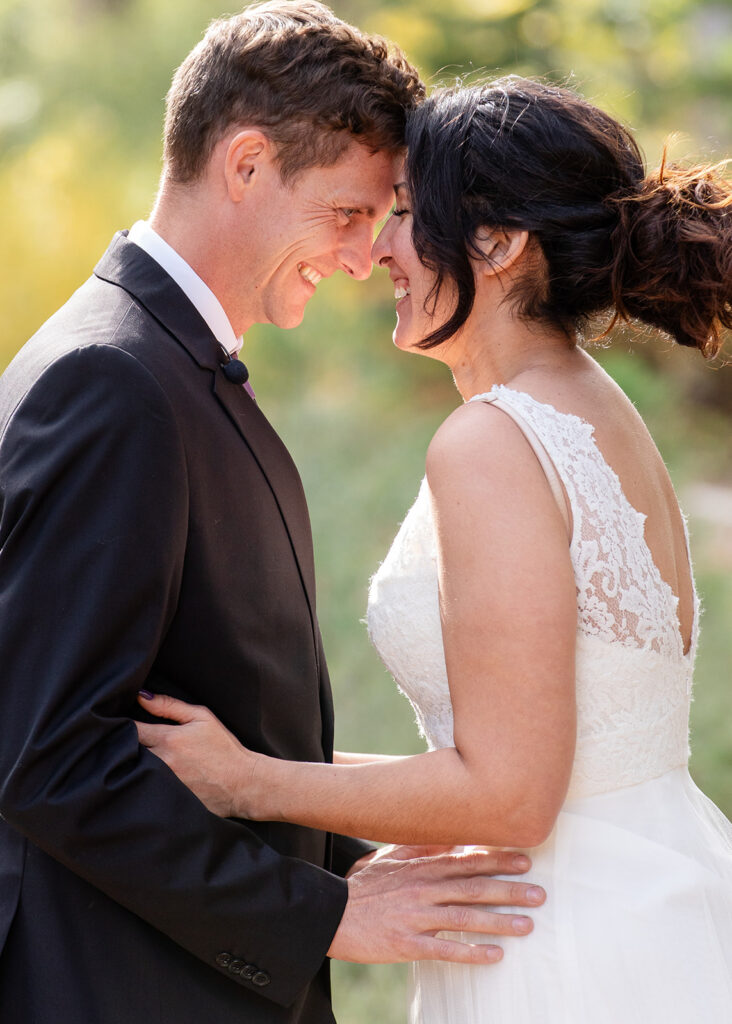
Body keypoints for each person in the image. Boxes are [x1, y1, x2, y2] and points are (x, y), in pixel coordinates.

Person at [134, 77, 732, 1022]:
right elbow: (531, 765)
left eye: (409, 213)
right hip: (634, 893)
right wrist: (268, 768)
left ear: (496, 243)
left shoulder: (493, 441)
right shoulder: (596, 409)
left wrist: (251, 783)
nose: (379, 251)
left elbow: (508, 796)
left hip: (559, 946)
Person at [0, 11, 548, 1024]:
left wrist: (374, 846)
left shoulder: (174, 372)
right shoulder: (111, 380)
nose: (357, 257)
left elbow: (210, 710)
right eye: (345, 211)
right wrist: (325, 914)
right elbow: (52, 757)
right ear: (247, 164)